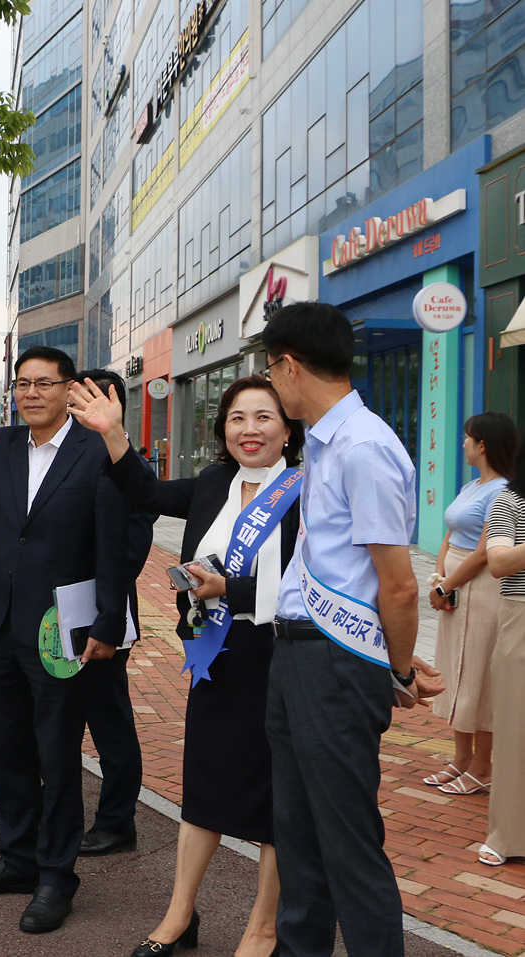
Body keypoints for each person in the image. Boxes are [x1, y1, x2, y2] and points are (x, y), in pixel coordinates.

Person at [70, 374, 305, 957]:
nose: (249, 430)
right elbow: (147, 494)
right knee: (203, 784)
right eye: (236, 419)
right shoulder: (214, 482)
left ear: (288, 428)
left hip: (282, 658)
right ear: (222, 429)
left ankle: (263, 927)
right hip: (216, 657)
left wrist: (234, 588)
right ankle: (179, 914)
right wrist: (115, 435)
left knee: (279, 792)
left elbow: (313, 584)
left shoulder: (309, 490)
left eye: (263, 417)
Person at [258, 301, 442, 957]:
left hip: (333, 667)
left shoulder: (363, 449)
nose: (270, 385)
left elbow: (398, 582)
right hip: (297, 659)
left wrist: (396, 668)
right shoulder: (328, 443)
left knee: (347, 843)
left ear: (289, 366)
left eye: (270, 370)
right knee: (298, 832)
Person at [0, 345, 137, 934]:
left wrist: (109, 623)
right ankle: (19, 858)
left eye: (44, 383)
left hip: (61, 629)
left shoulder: (95, 451)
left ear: (68, 389)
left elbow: (114, 539)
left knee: (57, 755)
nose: (31, 393)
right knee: (5, 748)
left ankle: (57, 875)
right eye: (22, 384)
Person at [75, 369, 155, 859]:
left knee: (109, 722)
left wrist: (105, 610)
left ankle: (117, 820)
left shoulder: (129, 467)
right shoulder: (60, 457)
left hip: (103, 615)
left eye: (92, 397)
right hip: (52, 615)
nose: (81, 407)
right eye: (76, 397)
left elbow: (130, 553)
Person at [424, 414, 518, 796]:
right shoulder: (471, 485)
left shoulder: (503, 491)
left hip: (481, 590)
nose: (462, 443)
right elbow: (450, 533)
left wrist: (446, 585)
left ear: (483, 444)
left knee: (478, 673)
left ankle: (483, 766)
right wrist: (438, 578)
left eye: (467, 438)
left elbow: (483, 554)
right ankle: (461, 759)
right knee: (455, 670)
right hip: (455, 588)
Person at [482, 435, 525, 867]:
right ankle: (509, 836)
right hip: (521, 618)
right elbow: (498, 562)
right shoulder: (509, 500)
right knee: (515, 731)